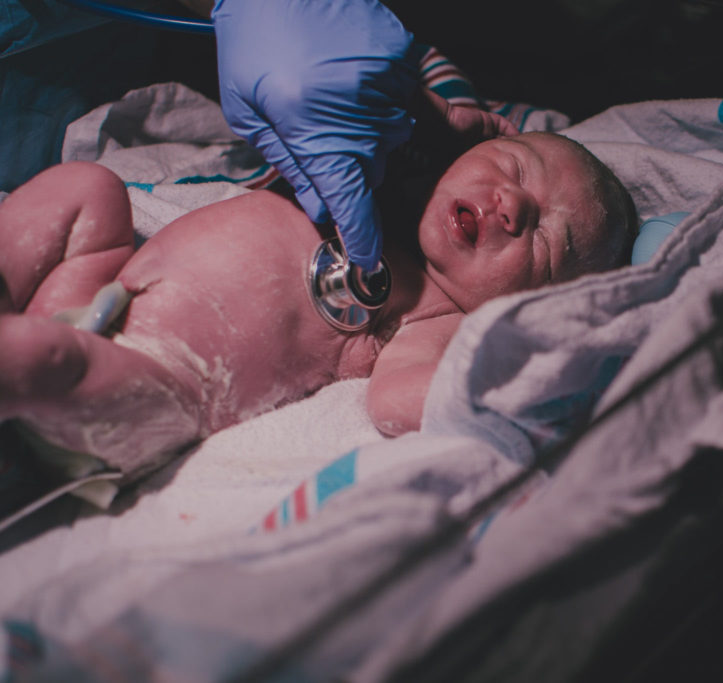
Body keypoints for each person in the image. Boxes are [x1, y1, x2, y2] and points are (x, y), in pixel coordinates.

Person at [0, 132, 637, 485]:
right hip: (95, 291)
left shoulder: (440, 320)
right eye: (513, 166)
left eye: (551, 242)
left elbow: (397, 400)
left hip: (145, 385)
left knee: (50, 356)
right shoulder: (372, 180)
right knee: (85, 187)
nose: (514, 204)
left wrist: (524, 380)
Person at [209, 0, 517, 274]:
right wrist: (436, 113)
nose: (514, 205)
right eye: (515, 169)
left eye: (548, 236)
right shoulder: (448, 132)